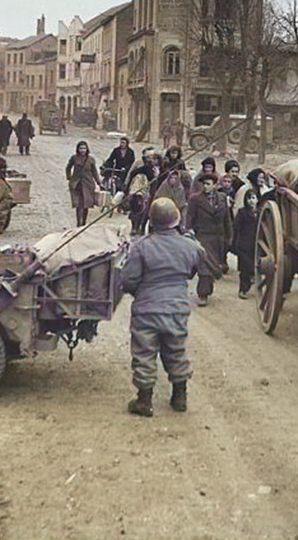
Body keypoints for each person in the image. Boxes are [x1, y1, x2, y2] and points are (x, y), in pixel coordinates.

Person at [119, 197, 203, 417]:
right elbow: (195, 268)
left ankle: (144, 401)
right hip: (177, 306)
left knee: (144, 352)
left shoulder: (142, 247)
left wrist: (141, 293)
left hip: (147, 308)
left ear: (152, 221)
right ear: (177, 219)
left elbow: (128, 280)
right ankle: (180, 397)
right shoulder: (190, 246)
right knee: (176, 349)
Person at [184, 171, 232, 306]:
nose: (205, 187)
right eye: (203, 184)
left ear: (215, 185)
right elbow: (189, 217)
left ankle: (206, 289)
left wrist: (229, 236)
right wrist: (189, 229)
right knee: (204, 267)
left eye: (208, 184)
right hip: (202, 236)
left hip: (218, 238)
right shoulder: (195, 199)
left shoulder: (222, 198)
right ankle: (203, 294)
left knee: (212, 267)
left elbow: (227, 219)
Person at [232, 190, 260, 299]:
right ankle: (243, 290)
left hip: (257, 244)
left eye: (253, 198)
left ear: (257, 199)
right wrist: (235, 243)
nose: (251, 201)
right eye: (249, 198)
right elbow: (236, 228)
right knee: (245, 268)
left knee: (255, 265)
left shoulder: (261, 212)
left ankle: (253, 283)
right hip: (245, 244)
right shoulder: (242, 212)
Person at [66, 140, 101, 227]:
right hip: (77, 184)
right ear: (78, 149)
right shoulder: (74, 158)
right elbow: (68, 168)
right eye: (81, 148)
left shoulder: (91, 160)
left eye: (84, 148)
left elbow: (94, 172)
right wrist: (69, 177)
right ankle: (78, 223)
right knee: (78, 204)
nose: (82, 150)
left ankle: (84, 223)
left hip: (88, 184)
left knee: (86, 204)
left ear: (87, 149)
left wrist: (99, 182)